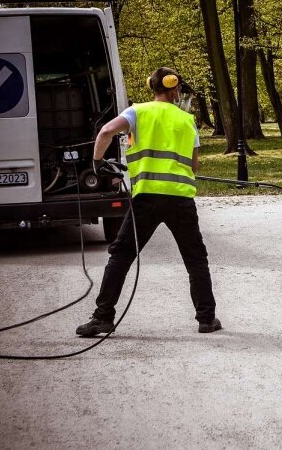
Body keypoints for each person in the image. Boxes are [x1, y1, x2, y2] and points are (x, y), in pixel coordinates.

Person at [76, 67, 221, 337]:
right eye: (178, 89)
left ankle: (103, 317)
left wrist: (97, 164)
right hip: (180, 199)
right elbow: (195, 165)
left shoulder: (137, 112)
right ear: (173, 87)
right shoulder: (187, 120)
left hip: (146, 199)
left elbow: (106, 131)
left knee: (121, 256)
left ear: (152, 87)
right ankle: (206, 319)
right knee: (195, 259)